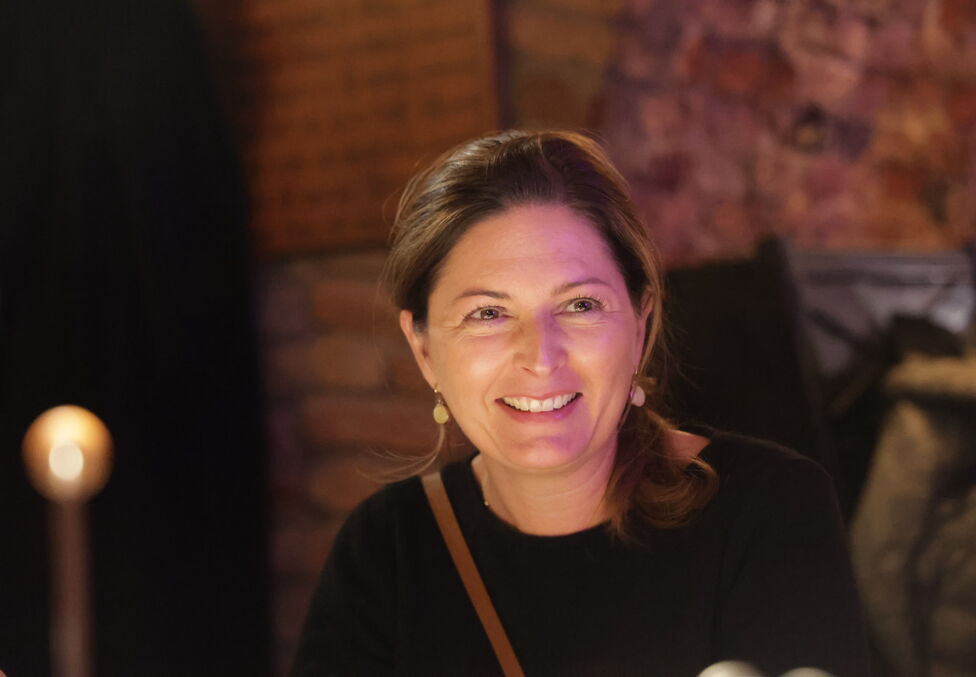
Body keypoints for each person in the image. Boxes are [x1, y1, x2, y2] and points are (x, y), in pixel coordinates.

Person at [291, 130, 871, 676]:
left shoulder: (769, 509)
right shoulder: (386, 549)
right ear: (423, 350)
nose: (541, 357)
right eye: (488, 314)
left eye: (580, 306)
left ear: (640, 325)